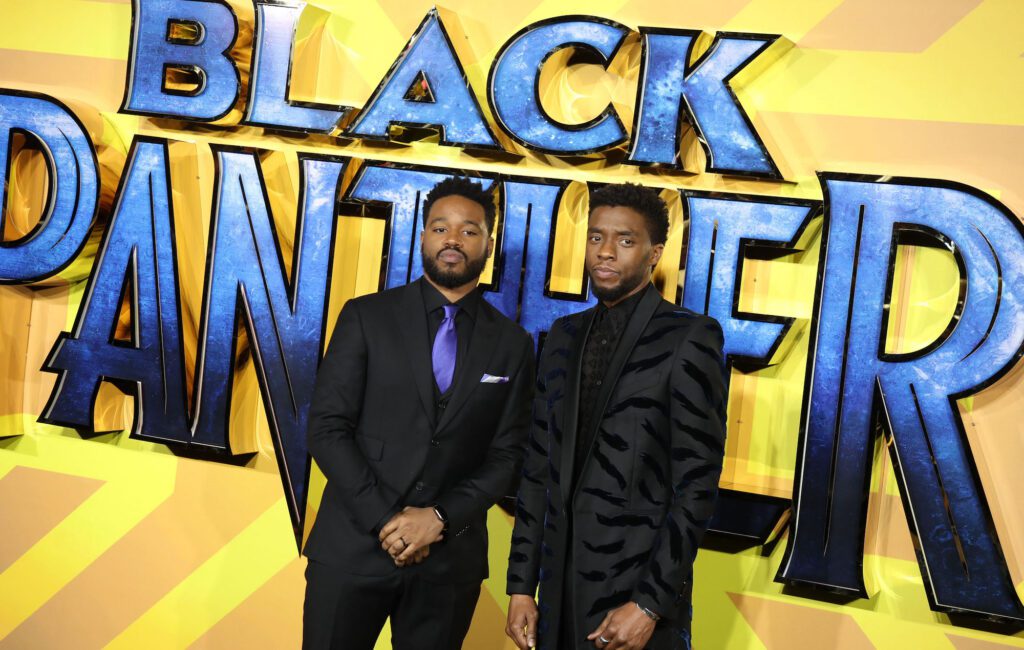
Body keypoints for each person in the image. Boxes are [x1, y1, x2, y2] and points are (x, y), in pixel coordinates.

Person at [304, 176, 535, 650]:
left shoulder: (512, 344)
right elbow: (327, 429)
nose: (453, 239)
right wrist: (388, 521)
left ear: (489, 244)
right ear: (423, 236)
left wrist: (440, 518)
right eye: (440, 228)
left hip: (448, 565)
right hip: (352, 549)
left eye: (469, 230)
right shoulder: (366, 316)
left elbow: (508, 456)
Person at [505, 183, 727, 650]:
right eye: (596, 237)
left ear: (654, 254)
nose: (605, 251)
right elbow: (538, 470)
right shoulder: (563, 335)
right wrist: (522, 587)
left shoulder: (689, 337)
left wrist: (649, 605)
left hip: (633, 602)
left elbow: (697, 487)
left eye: (625, 240)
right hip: (557, 598)